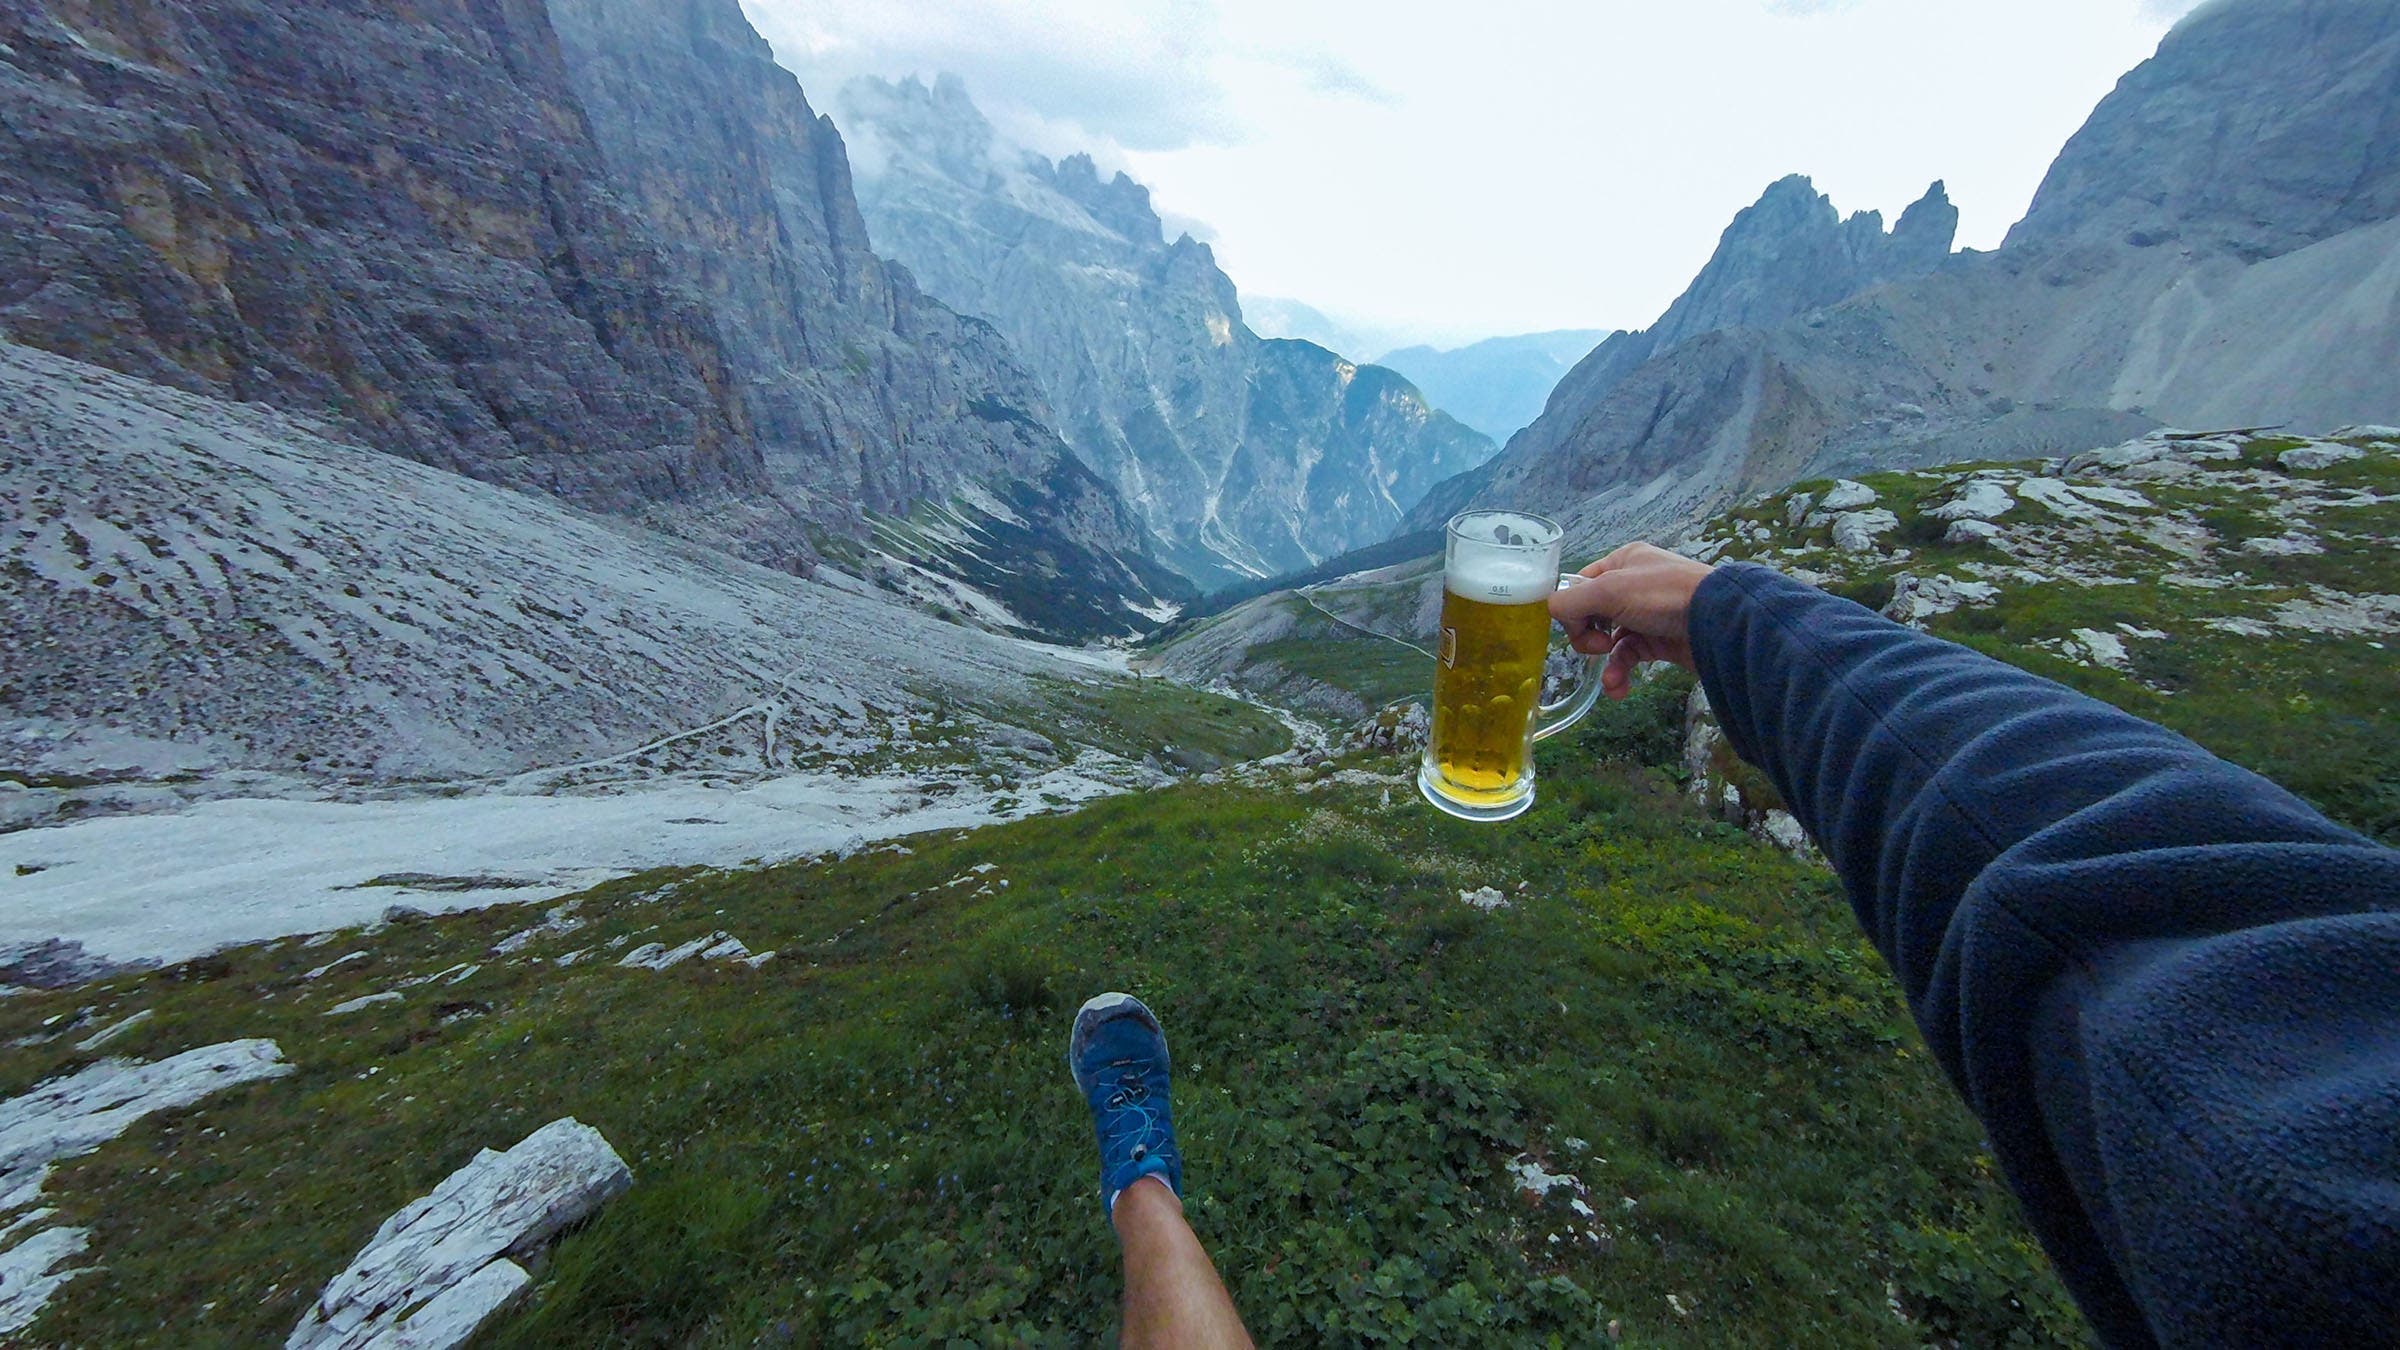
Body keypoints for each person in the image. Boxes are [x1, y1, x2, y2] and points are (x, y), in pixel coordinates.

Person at [1069, 545, 2400, 1348]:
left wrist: (1743, 620)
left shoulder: (2298, 1214)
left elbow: (2144, 900)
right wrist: (1737, 622)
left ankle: (1144, 1182)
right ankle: (1147, 1182)